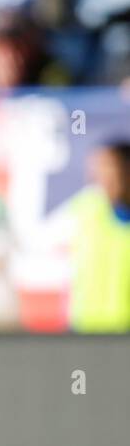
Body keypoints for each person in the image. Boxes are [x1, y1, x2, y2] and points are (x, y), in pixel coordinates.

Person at [68, 140, 130, 332]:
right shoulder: (85, 209)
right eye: (99, 168)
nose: (103, 176)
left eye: (110, 166)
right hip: (87, 331)